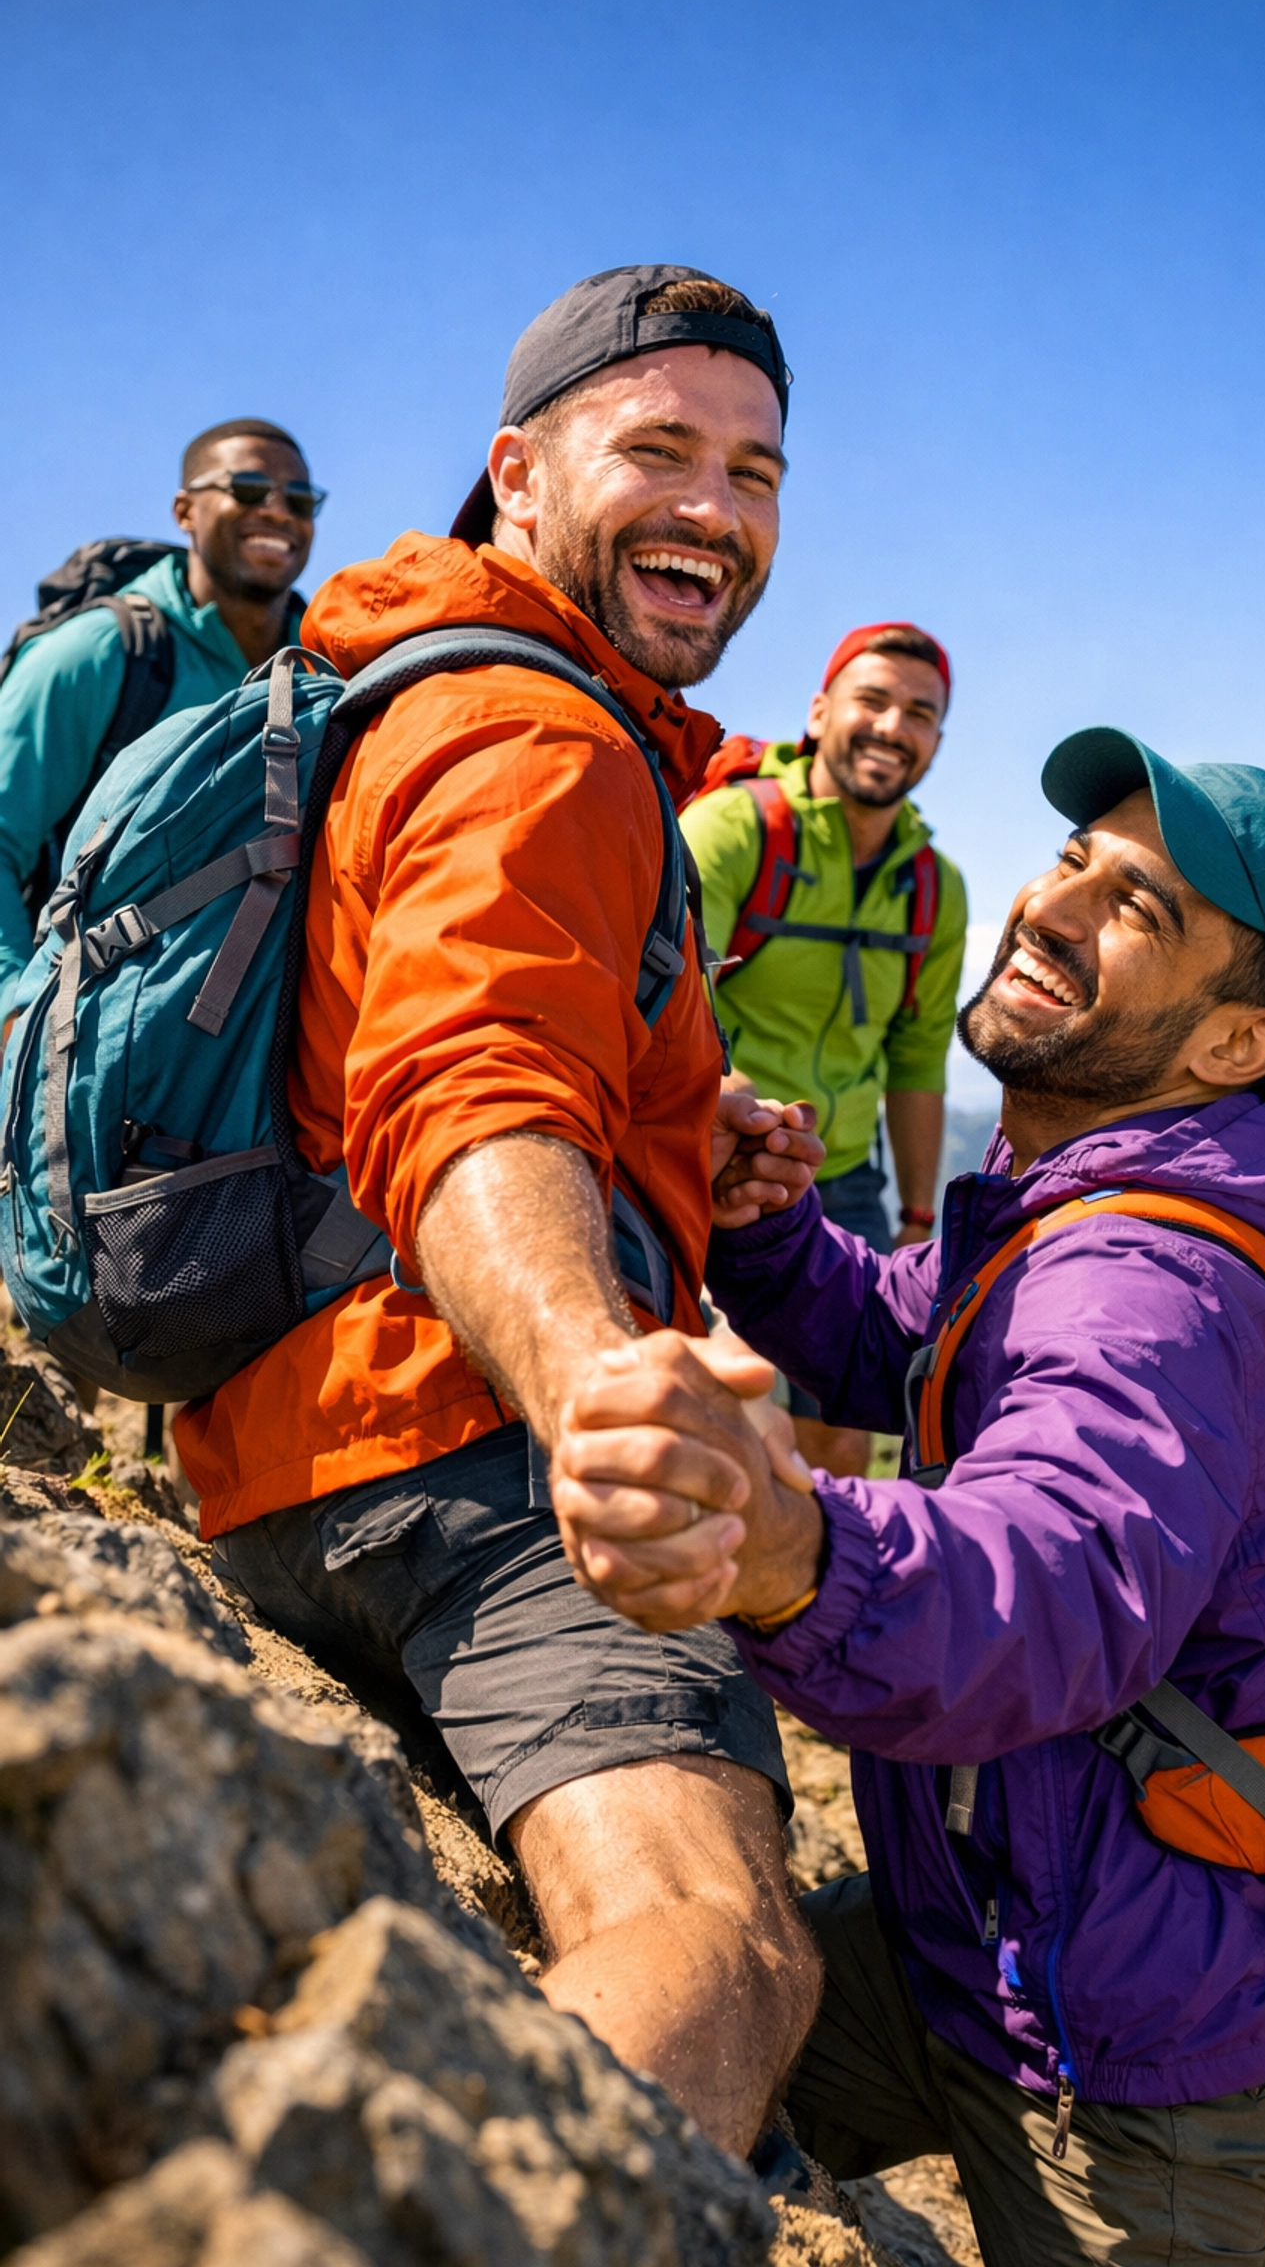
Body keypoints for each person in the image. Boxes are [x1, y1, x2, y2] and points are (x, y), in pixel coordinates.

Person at [549, 728, 1265, 2265]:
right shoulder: (1102, 1188)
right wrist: (774, 1235)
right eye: (1077, 859)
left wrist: (793, 1539)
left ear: (1238, 1045)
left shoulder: (1158, 1287)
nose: (1056, 906)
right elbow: (917, 1333)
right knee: (719, 2022)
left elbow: (1048, 1582)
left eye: (1142, 909)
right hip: (970, 1948)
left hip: (1127, 2071)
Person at [174, 266, 825, 2160]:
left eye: (758, 469)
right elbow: (469, 1087)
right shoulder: (544, 739)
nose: (716, 504)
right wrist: (596, 1383)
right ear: (518, 476)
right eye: (660, 450)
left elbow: (448, 1011)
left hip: (269, 1446)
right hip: (463, 1451)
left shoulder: (415, 677)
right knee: (723, 1937)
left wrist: (701, 1117)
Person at [682, 622, 967, 1474]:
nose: (893, 726)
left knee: (847, 1426)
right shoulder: (733, 830)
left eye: (920, 713)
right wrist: (742, 1123)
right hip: (717, 1154)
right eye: (872, 700)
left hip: (844, 1178)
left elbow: (918, 1060)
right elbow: (673, 1008)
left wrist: (918, 1224)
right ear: (820, 710)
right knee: (720, 1409)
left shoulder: (933, 888)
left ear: (937, 741)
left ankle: (817, 1599)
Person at [0, 419, 316, 1010]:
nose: (277, 511)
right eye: (248, 488)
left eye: (299, 499)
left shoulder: (326, 672)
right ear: (184, 510)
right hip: (86, 1045)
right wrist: (13, 1013)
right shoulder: (98, 653)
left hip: (261, 1054)